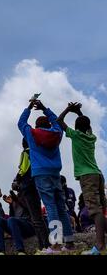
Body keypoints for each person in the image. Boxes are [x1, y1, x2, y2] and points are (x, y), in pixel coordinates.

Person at [18, 99, 74, 253]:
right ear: (49, 124)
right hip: (55, 173)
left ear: (36, 126)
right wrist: (44, 108)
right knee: (61, 208)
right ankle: (69, 243)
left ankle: (55, 245)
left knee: (50, 208)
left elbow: (21, 122)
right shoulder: (57, 133)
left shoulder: (31, 133)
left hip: (41, 174)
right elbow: (57, 121)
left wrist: (29, 107)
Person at [58, 102, 107, 255]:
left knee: (95, 210)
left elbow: (59, 121)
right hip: (98, 174)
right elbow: (87, 126)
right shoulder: (91, 137)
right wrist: (78, 111)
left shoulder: (76, 135)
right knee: (102, 208)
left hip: (87, 176)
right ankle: (101, 244)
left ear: (77, 127)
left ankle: (99, 246)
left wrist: (67, 109)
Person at [12, 138, 49, 251]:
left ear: (23, 143)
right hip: (36, 186)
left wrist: (16, 180)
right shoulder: (37, 153)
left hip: (28, 187)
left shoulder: (26, 152)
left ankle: (44, 246)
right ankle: (44, 245)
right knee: (38, 217)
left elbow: (23, 169)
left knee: (36, 219)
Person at [0, 190, 35, 255]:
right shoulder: (14, 201)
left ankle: (21, 250)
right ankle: (0, 251)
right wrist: (11, 204)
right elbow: (11, 217)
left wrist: (16, 199)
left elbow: (29, 208)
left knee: (11, 220)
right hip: (16, 227)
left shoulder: (26, 196)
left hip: (28, 225)